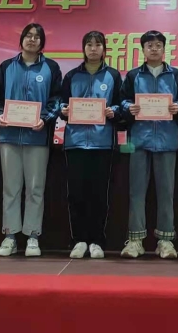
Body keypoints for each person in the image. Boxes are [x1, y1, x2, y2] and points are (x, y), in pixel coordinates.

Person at [0, 23, 62, 257]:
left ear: (42, 42)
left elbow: (56, 99)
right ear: (21, 40)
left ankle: (32, 236)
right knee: (11, 188)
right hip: (9, 136)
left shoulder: (51, 67)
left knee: (35, 189)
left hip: (38, 136)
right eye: (28, 36)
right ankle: (9, 236)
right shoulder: (6, 67)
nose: (32, 40)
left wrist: (45, 119)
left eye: (37, 37)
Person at [119, 30, 178, 259]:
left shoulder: (176, 75)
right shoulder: (133, 76)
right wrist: (128, 107)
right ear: (143, 49)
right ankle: (135, 240)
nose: (154, 49)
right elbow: (122, 101)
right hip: (137, 141)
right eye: (150, 45)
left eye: (158, 45)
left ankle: (165, 241)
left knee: (166, 193)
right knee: (136, 192)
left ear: (164, 48)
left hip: (167, 140)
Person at [60, 31, 123, 259]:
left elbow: (121, 104)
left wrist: (114, 111)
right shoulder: (71, 76)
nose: (93, 49)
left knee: (99, 195)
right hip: (75, 143)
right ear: (83, 48)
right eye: (89, 44)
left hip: (102, 143)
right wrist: (63, 110)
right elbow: (60, 104)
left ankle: (97, 240)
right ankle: (78, 240)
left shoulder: (113, 75)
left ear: (104, 48)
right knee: (76, 193)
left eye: (98, 44)